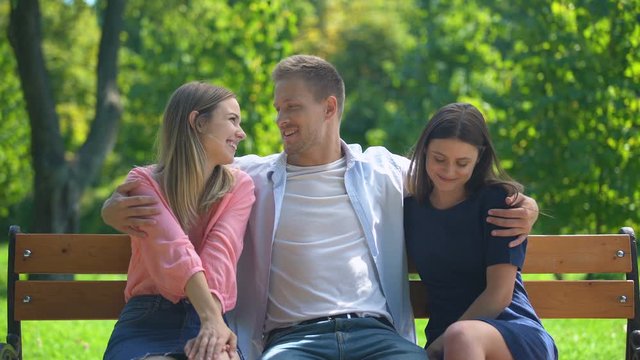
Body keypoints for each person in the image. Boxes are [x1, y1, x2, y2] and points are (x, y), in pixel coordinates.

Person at [102, 55, 539, 360]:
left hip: (376, 335)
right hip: (293, 341)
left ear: (329, 107)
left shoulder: (382, 169)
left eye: (291, 107)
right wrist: (111, 206)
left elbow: (456, 177)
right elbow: (172, 171)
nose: (279, 119)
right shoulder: (249, 176)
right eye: (277, 108)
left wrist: (528, 206)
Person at [103, 82, 255, 360]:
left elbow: (220, 257)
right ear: (197, 122)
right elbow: (173, 250)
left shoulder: (239, 186)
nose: (241, 133)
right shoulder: (143, 182)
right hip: (147, 319)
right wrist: (213, 319)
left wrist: (212, 323)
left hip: (208, 318)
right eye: (232, 120)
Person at [404, 102, 557, 359]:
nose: (449, 171)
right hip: (450, 339)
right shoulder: (410, 209)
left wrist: (439, 345)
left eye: (462, 163)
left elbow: (499, 296)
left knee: (461, 336)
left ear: (479, 158)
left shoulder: (500, 205)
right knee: (459, 337)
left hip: (511, 332)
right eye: (439, 159)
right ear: (425, 150)